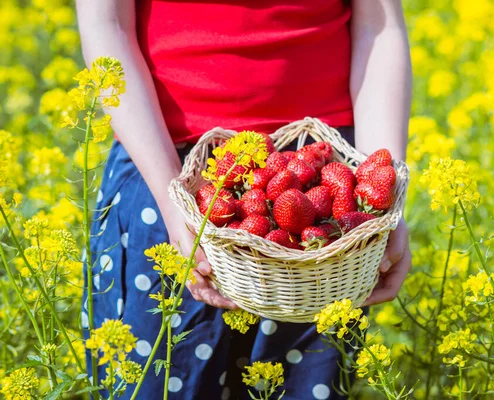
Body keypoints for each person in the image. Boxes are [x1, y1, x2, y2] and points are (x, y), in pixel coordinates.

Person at [76, 0, 412, 398]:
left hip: (322, 190)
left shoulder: (331, 193)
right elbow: (106, 25)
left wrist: (380, 196)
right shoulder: (172, 190)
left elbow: (379, 27)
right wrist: (175, 202)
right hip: (170, 172)